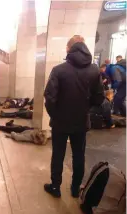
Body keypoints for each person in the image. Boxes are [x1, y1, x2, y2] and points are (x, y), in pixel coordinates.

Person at [44, 35, 104, 198]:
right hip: (81, 122)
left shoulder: (59, 70)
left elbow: (49, 98)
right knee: (79, 155)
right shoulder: (94, 70)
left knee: (58, 154)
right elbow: (99, 98)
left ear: (68, 49)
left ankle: (55, 187)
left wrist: (56, 116)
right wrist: (85, 110)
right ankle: (75, 188)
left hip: (60, 123)